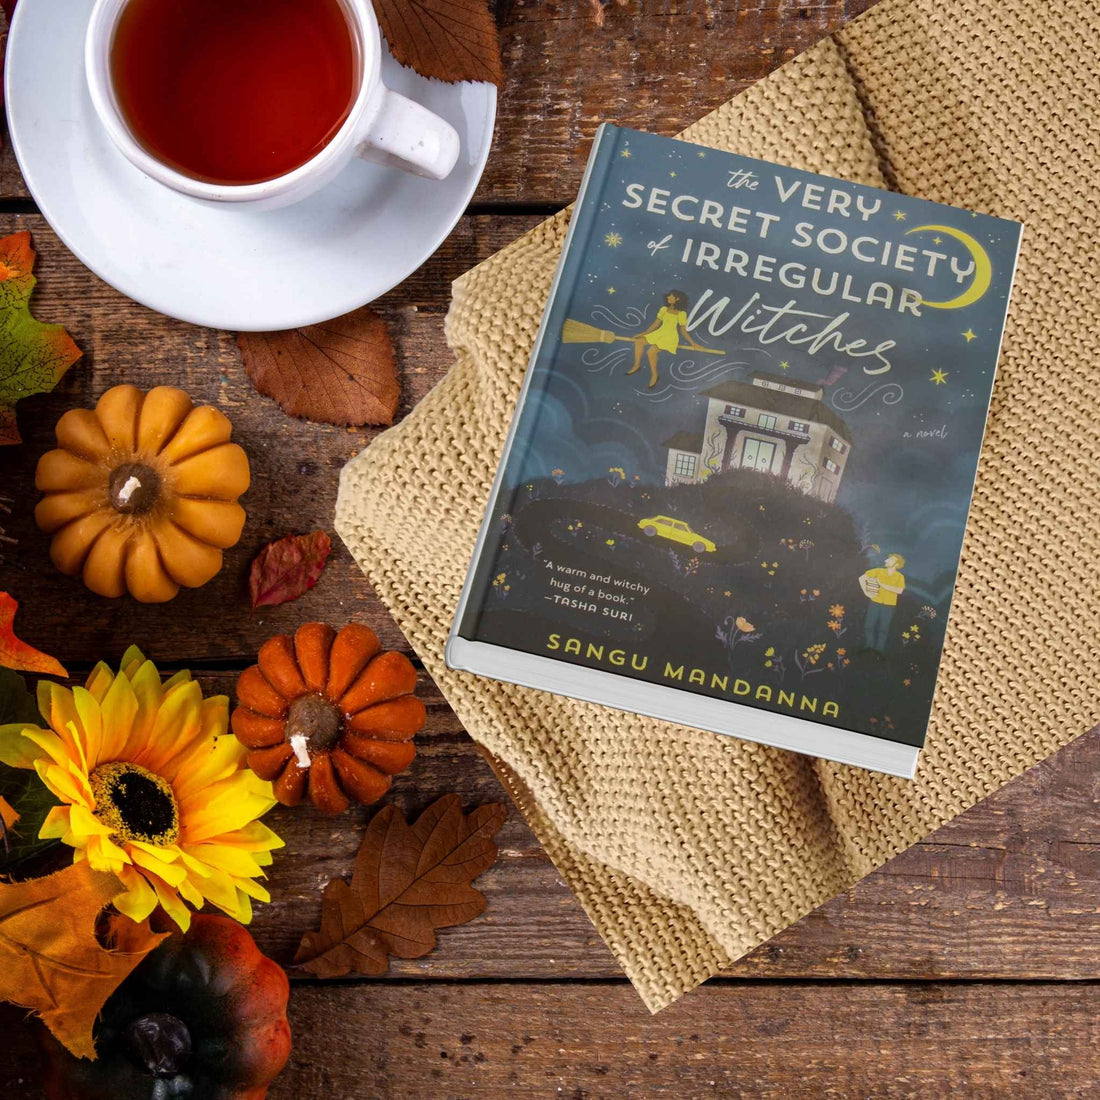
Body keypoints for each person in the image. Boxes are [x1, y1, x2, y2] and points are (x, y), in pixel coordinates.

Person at [626, 290, 707, 388]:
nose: (668, 297)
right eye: (668, 296)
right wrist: (644, 333)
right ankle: (636, 365)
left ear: (677, 299)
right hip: (659, 333)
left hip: (670, 337)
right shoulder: (664, 309)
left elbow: (683, 330)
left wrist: (692, 343)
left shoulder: (681, 314)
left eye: (671, 296)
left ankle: (655, 375)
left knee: (651, 352)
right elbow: (656, 323)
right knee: (639, 341)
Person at [859, 552, 906, 654]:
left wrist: (883, 585)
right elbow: (862, 578)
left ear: (897, 564)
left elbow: (899, 590)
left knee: (883, 628)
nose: (886, 560)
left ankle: (879, 650)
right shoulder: (879, 571)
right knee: (869, 625)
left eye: (890, 560)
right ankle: (869, 645)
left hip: (889, 606)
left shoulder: (900, 577)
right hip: (875, 602)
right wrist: (867, 592)